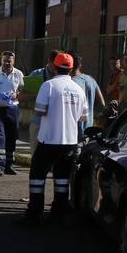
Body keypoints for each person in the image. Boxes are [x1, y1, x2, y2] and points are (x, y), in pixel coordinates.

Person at [19, 53, 88, 226]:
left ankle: (34, 214)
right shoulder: (79, 89)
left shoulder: (48, 85)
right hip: (70, 142)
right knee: (62, 178)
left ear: (55, 67)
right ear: (71, 69)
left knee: (37, 175)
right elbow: (83, 118)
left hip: (49, 139)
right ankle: (58, 214)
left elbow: (40, 111)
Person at [0, 51, 24, 176]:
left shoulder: (18, 74)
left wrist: (15, 94)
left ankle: (9, 165)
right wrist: (0, 95)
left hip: (13, 110)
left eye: (9, 61)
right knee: (0, 137)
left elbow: (22, 88)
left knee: (12, 138)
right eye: (5, 60)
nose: (7, 63)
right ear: (1, 60)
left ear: (13, 61)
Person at [24, 51, 58, 153]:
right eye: (55, 65)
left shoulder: (61, 77)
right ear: (49, 62)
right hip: (38, 122)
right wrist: (38, 95)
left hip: (55, 124)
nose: (57, 68)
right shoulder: (36, 74)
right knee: (35, 153)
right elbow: (20, 96)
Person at [71, 55, 105, 137]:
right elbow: (102, 103)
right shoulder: (91, 79)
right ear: (80, 65)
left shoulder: (71, 82)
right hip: (89, 127)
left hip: (75, 129)